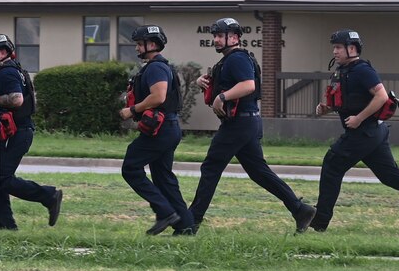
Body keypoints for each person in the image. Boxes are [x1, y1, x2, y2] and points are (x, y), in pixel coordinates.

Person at [312, 29, 399, 232]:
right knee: (390, 176)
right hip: (373, 133)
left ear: (352, 49)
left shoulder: (362, 70)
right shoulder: (342, 71)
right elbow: (350, 101)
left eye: (339, 47)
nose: (335, 51)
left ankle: (319, 221)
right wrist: (327, 108)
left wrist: (359, 118)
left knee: (332, 165)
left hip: (364, 132)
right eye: (334, 47)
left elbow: (381, 96)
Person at [189, 18, 316, 233]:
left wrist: (222, 96)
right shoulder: (231, 59)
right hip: (248, 122)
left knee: (210, 168)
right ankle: (300, 210)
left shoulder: (237, 58)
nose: (216, 40)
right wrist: (203, 83)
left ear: (234, 38)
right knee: (258, 171)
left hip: (239, 124)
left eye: (220, 36)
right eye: (215, 36)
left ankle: (190, 223)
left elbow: (248, 85)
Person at [0, 33, 63, 230]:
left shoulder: (7, 73)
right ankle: (6, 225)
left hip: (18, 133)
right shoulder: (9, 70)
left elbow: (17, 99)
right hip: (12, 132)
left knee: (0, 178)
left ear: (2, 52)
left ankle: (48, 196)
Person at [118, 25, 196, 235]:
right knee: (164, 179)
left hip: (161, 130)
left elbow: (159, 96)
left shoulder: (155, 68)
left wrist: (132, 110)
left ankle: (164, 212)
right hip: (167, 128)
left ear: (152, 44)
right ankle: (186, 227)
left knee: (131, 167)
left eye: (139, 44)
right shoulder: (160, 67)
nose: (136, 48)